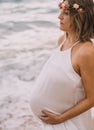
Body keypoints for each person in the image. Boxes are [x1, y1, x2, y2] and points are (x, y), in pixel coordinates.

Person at [30, 0, 94, 129]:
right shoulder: (63, 40)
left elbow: (91, 98)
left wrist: (61, 118)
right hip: (52, 123)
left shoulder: (86, 51)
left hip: (69, 123)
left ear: (80, 18)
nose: (59, 16)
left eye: (65, 13)